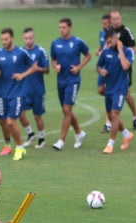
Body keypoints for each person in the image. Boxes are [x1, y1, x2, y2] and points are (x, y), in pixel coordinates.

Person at [0, 28, 37, 161]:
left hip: (18, 92)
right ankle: (20, 146)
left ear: (12, 38)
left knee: (11, 122)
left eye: (6, 39)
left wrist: (22, 75)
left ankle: (18, 147)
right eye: (2, 40)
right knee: (7, 122)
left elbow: (34, 67)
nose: (4, 42)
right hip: (5, 93)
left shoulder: (21, 53)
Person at [50, 17, 90, 151]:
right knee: (66, 110)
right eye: (60, 27)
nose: (61, 30)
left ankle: (61, 141)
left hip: (73, 81)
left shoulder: (78, 42)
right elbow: (53, 59)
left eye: (64, 27)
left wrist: (78, 67)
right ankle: (79, 133)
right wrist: (55, 67)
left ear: (70, 28)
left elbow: (88, 55)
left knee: (67, 110)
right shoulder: (55, 43)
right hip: (61, 81)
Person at [96, 29, 135, 154]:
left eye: (110, 42)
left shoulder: (128, 51)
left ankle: (110, 145)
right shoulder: (106, 52)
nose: (109, 45)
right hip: (110, 88)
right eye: (107, 43)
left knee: (114, 115)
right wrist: (100, 71)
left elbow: (125, 66)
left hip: (121, 88)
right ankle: (126, 134)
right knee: (112, 116)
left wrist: (120, 50)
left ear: (116, 39)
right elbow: (98, 66)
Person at [109, 10, 136, 130]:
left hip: (124, 68)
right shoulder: (108, 32)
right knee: (107, 91)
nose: (117, 21)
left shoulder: (126, 31)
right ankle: (110, 120)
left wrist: (122, 50)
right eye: (114, 19)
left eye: (118, 18)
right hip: (111, 67)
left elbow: (134, 48)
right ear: (110, 21)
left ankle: (135, 116)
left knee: (126, 94)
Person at [20, 27, 49, 149]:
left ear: (34, 38)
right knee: (20, 114)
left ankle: (41, 138)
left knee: (37, 116)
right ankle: (30, 134)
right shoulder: (21, 52)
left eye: (30, 38)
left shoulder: (40, 51)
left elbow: (47, 70)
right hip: (24, 90)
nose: (28, 41)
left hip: (37, 90)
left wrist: (39, 69)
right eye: (26, 38)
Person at [96, 13, 112, 133]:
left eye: (105, 24)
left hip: (111, 67)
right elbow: (103, 46)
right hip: (102, 66)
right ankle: (114, 100)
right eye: (102, 24)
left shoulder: (114, 35)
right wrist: (99, 50)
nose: (103, 26)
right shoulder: (102, 33)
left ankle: (108, 123)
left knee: (108, 92)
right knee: (101, 90)